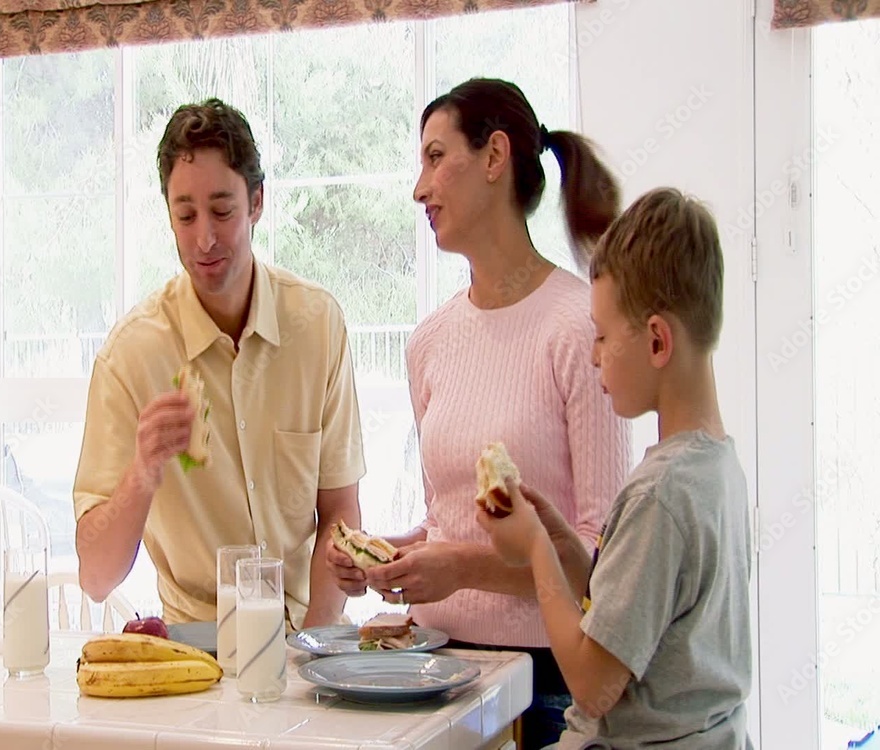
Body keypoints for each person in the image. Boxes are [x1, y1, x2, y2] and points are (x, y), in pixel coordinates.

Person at [326, 77, 633, 747]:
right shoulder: (429, 342)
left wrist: (461, 568)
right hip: (442, 672)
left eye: (436, 157)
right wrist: (388, 556)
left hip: (552, 688)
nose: (418, 187)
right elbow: (449, 521)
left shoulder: (581, 326)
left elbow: (604, 556)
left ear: (494, 157)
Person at [72, 97, 367, 631]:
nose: (204, 238)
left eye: (222, 211)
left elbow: (340, 511)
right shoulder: (130, 357)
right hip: (196, 653)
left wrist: (315, 646)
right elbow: (95, 578)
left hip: (309, 636)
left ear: (257, 202)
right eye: (185, 215)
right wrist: (143, 471)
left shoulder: (317, 325)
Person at [478, 187, 754, 749]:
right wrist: (560, 543)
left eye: (602, 336)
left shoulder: (661, 494)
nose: (595, 354)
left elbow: (592, 683)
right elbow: (630, 618)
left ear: (656, 341)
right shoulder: (715, 466)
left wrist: (534, 552)